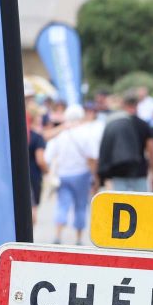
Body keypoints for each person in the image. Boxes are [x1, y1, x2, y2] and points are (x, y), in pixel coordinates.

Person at [44, 104, 102, 244]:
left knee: (62, 205)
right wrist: (95, 176)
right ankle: (78, 238)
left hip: (63, 175)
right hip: (82, 174)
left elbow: (48, 157)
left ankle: (58, 236)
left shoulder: (60, 134)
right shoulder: (87, 133)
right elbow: (93, 157)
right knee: (81, 206)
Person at [98, 92, 153, 192]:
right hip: (139, 172)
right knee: (141, 205)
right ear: (137, 104)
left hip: (118, 171)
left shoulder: (114, 123)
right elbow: (152, 151)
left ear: (123, 104)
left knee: (119, 204)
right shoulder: (143, 125)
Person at [27, 112, 47, 225]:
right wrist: (47, 170)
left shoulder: (17, 135)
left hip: (16, 176)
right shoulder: (37, 137)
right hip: (34, 175)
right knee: (32, 208)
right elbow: (40, 160)